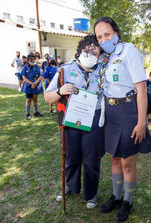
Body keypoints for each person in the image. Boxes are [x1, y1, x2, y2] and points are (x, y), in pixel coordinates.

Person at [94, 17, 151, 222]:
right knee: (114, 158)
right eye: (99, 37)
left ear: (117, 33)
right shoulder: (105, 57)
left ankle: (128, 200)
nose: (103, 40)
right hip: (110, 113)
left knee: (127, 162)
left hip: (129, 110)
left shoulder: (129, 51)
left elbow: (142, 89)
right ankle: (116, 196)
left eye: (107, 34)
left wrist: (141, 122)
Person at [44, 34, 105, 209]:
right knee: (71, 157)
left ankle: (91, 193)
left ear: (100, 54)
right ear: (80, 50)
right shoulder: (65, 70)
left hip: (94, 119)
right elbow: (48, 97)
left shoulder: (103, 70)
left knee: (91, 159)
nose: (91, 53)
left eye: (96, 51)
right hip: (71, 120)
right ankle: (70, 186)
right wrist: (61, 91)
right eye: (88, 49)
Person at [21, 53, 44, 120]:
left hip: (36, 85)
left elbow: (40, 76)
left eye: (34, 59)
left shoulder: (37, 67)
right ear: (28, 60)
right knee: (28, 99)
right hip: (28, 85)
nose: (33, 61)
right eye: (31, 60)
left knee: (35, 99)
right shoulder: (25, 67)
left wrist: (35, 83)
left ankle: (35, 112)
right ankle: (27, 114)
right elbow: (24, 77)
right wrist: (31, 83)